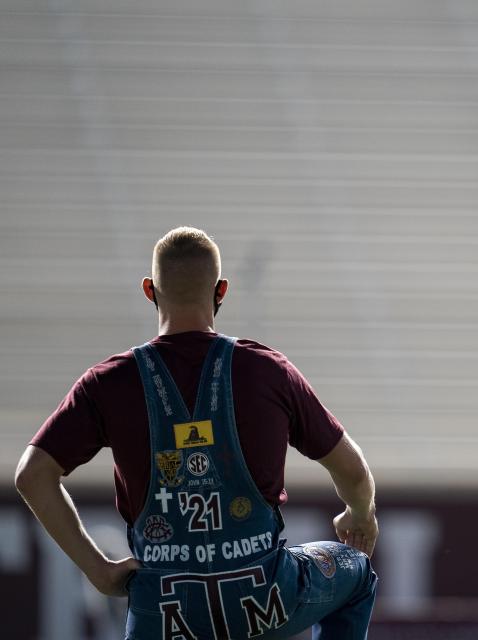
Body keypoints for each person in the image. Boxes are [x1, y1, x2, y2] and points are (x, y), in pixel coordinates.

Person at [15, 227, 378, 640]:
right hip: (263, 599)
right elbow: (352, 471)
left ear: (150, 290)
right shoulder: (266, 370)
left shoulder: (107, 383)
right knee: (357, 575)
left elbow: (32, 475)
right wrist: (360, 513)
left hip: (163, 612)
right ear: (221, 290)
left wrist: (97, 569)